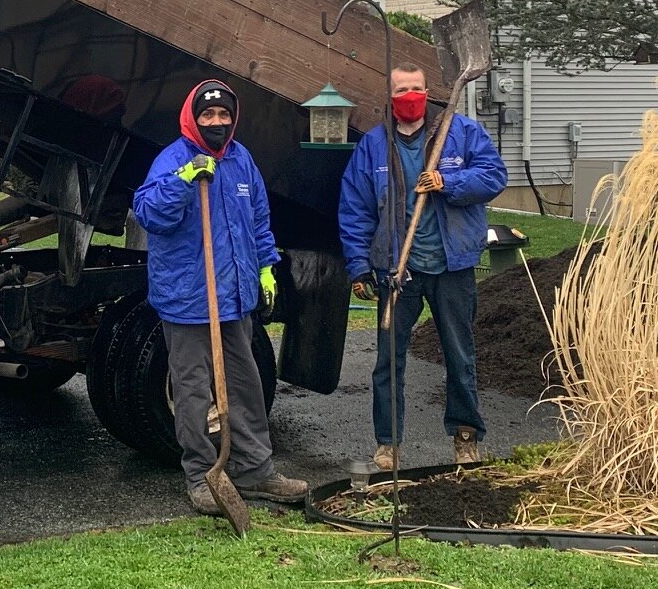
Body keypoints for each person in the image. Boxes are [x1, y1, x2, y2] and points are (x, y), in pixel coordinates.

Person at [132, 80, 308, 514]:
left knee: (246, 386)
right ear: (193, 117)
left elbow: (260, 220)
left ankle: (256, 471)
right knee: (192, 390)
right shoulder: (173, 159)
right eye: (208, 115)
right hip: (189, 299)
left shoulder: (241, 159)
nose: (216, 122)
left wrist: (266, 268)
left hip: (234, 297)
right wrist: (186, 179)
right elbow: (148, 212)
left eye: (223, 115)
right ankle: (200, 475)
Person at [339, 62, 508, 470]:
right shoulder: (375, 146)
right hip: (399, 270)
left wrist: (449, 183)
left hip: (452, 266)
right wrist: (360, 266)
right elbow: (356, 209)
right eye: (401, 91)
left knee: (459, 355)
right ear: (390, 96)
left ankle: (466, 436)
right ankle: (388, 445)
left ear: (427, 91)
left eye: (416, 89)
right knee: (388, 360)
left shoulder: (460, 132)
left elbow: (494, 175)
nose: (409, 97)